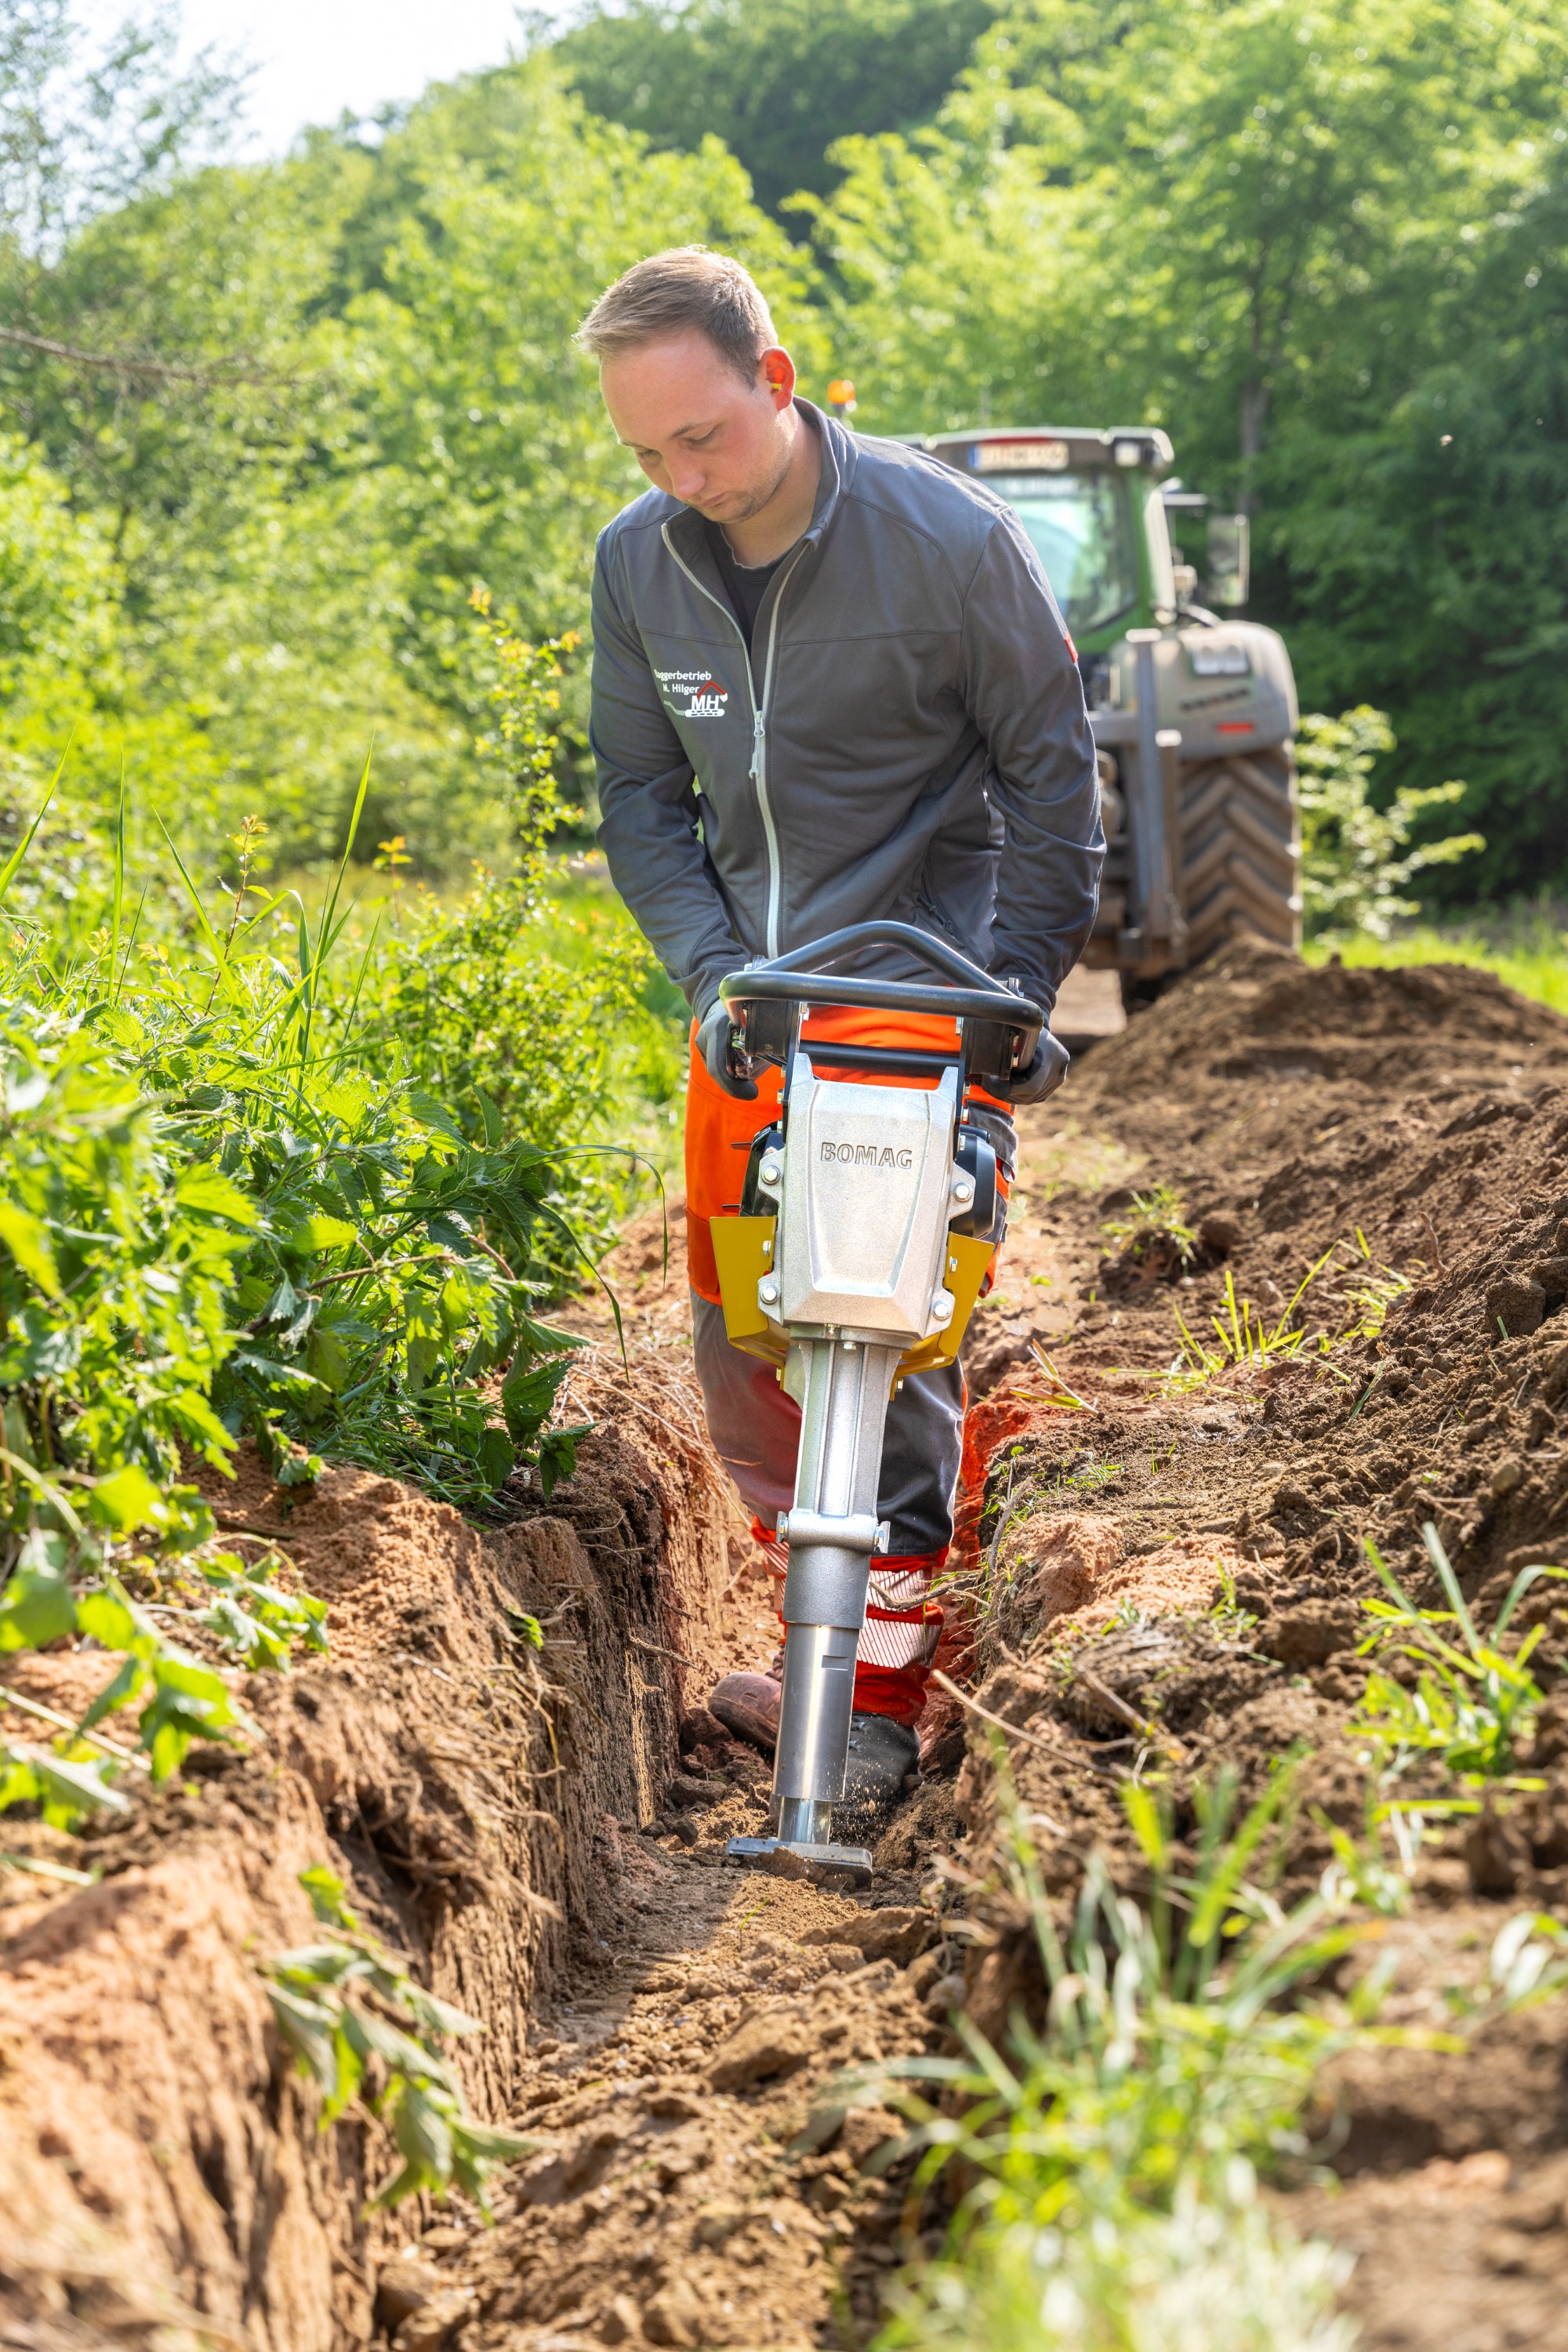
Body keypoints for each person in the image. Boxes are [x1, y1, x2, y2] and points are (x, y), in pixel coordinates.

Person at [579, 246, 1102, 1818]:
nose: (680, 477)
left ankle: (873, 1702)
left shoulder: (947, 542)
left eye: (704, 438)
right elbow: (636, 798)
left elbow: (1053, 786)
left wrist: (1010, 998)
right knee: (747, 1354)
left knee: (876, 1344)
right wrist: (711, 972)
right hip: (753, 1008)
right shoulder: (638, 564)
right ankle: (823, 1626)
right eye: (646, 452)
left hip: (914, 996)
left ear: (777, 382)